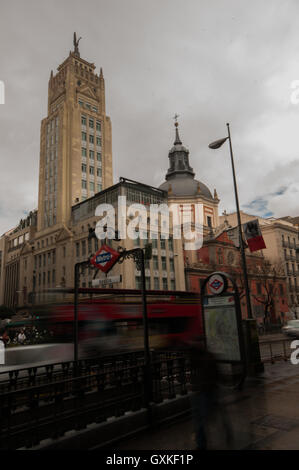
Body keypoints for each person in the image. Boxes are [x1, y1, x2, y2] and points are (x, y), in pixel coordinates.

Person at [189, 339, 232, 450]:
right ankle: (203, 442)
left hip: (205, 391)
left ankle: (202, 444)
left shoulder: (203, 357)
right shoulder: (204, 356)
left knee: (201, 420)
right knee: (204, 418)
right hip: (205, 391)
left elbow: (212, 373)